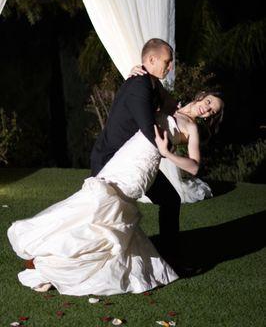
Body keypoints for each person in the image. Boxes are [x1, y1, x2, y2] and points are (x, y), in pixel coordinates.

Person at [7, 91, 224, 296]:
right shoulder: (171, 103)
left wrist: (167, 152)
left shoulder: (192, 128)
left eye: (212, 111)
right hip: (126, 155)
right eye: (209, 103)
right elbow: (151, 83)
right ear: (201, 95)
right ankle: (48, 250)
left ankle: (58, 262)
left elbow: (194, 167)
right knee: (92, 203)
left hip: (141, 165)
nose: (207, 110)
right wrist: (137, 69)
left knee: (108, 209)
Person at [90, 38, 182, 257]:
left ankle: (169, 255)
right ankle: (77, 256)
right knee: (99, 217)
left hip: (132, 160)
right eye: (167, 62)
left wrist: (192, 112)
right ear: (151, 59)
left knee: (170, 200)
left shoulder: (151, 81)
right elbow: (151, 134)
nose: (170, 67)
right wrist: (174, 145)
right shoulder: (139, 86)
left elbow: (172, 105)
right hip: (110, 162)